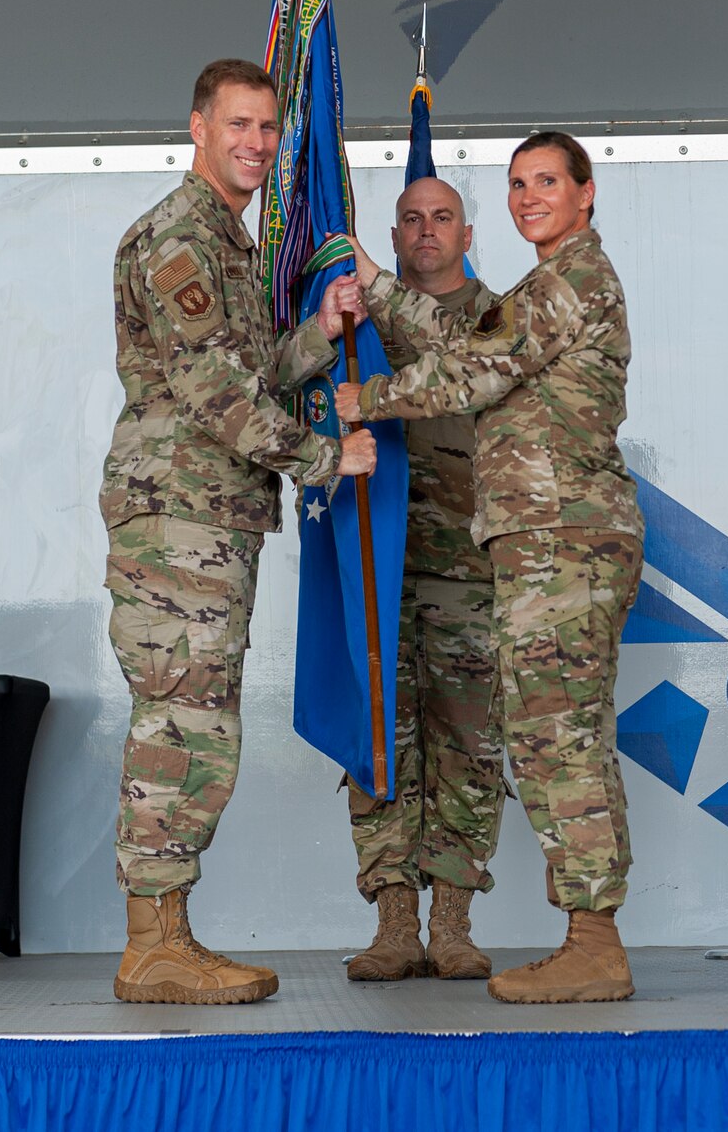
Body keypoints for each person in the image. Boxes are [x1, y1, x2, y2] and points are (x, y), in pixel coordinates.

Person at [333, 132, 644, 1005]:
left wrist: (372, 398)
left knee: (559, 740)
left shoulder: (570, 279)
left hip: (563, 540)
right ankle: (590, 937)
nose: (528, 196)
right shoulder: (548, 285)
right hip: (546, 541)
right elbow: (461, 333)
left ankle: (593, 943)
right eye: (516, 183)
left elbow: (470, 364)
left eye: (547, 181)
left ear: (586, 194)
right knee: (560, 737)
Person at [100, 58, 375, 1005]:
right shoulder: (182, 235)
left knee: (195, 722)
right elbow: (217, 396)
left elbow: (249, 370)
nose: (256, 143)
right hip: (179, 522)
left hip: (208, 519)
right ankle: (153, 946)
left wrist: (316, 329)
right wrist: (323, 458)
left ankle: (167, 936)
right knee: (182, 723)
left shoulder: (229, 240)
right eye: (239, 126)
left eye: (267, 128)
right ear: (198, 128)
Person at [303, 177, 507, 982]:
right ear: (392, 236)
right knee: (379, 737)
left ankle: (452, 920)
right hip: (376, 567)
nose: (428, 231)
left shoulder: (499, 318)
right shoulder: (355, 324)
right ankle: (394, 920)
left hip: (469, 569)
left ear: (466, 232)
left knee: (467, 743)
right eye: (412, 218)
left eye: (443, 218)